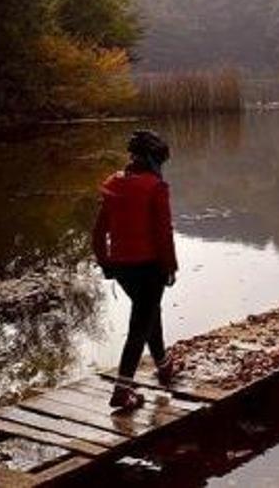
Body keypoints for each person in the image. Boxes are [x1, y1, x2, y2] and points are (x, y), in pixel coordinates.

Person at [92, 129, 180, 411]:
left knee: (149, 311)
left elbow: (98, 232)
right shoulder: (155, 187)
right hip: (149, 266)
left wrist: (105, 262)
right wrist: (170, 267)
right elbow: (163, 233)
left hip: (122, 267)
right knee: (139, 326)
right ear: (154, 160)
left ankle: (164, 365)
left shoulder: (114, 184)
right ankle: (122, 390)